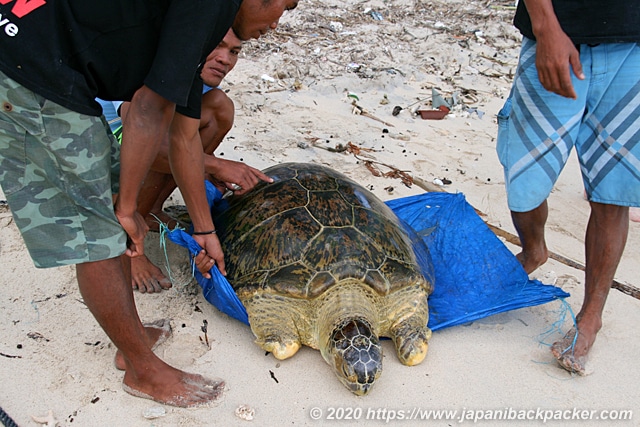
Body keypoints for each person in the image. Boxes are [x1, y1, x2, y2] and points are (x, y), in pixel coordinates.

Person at [0, 0, 298, 407]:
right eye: (285, 6)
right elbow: (146, 109)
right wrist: (126, 208)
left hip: (45, 57)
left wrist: (204, 229)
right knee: (99, 229)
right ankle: (142, 369)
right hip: (25, 67)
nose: (278, 23)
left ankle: (133, 337)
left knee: (109, 210)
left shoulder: (205, 25)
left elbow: (184, 138)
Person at [497, 0, 640, 375]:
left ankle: (591, 315)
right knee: (524, 181)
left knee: (613, 191)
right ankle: (534, 250)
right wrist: (546, 28)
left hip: (633, 44)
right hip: (559, 31)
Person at [112, 28, 273, 293]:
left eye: (234, 52)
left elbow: (184, 139)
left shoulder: (201, 80)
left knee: (220, 107)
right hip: (103, 144)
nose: (225, 59)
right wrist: (217, 164)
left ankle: (151, 208)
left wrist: (207, 172)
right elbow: (140, 136)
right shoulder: (159, 64)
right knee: (161, 138)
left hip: (142, 142)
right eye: (218, 46)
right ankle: (126, 243)